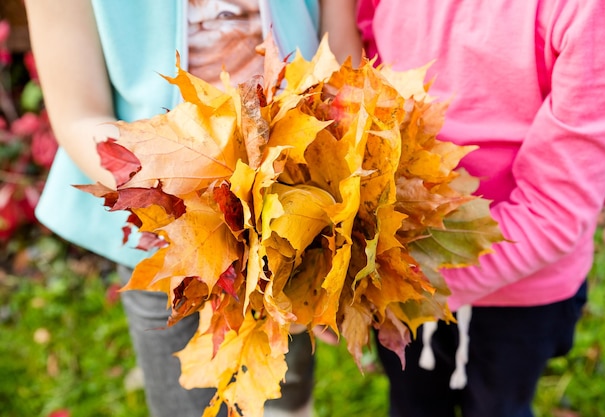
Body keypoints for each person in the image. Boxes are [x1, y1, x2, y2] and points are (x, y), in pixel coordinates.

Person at [23, 1, 359, 416]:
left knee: (283, 392)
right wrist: (183, 201)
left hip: (297, 219)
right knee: (189, 399)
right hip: (168, 232)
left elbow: (341, 53)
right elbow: (78, 114)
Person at [331, 1, 605, 416]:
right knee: (413, 401)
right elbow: (366, 60)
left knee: (499, 405)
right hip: (400, 264)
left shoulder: (593, 13)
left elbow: (554, 211)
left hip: (519, 292)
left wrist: (400, 283)